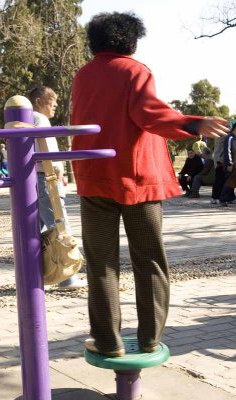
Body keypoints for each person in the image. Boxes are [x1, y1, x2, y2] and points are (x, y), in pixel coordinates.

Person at [70, 12, 228, 357]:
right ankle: (149, 338)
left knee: (101, 263)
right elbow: (148, 114)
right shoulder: (134, 70)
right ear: (130, 40)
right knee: (149, 260)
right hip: (136, 179)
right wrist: (193, 123)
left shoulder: (81, 75)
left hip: (93, 177)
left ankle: (108, 342)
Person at [28, 86, 87, 289]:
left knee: (35, 230)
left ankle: (32, 277)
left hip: (33, 179)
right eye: (51, 101)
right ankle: (67, 277)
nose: (55, 106)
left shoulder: (27, 119)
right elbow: (46, 150)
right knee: (59, 224)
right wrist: (56, 169)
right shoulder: (39, 119)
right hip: (46, 177)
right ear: (38, 101)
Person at [219, 122, 236, 206]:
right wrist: (229, 164)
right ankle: (223, 200)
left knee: (232, 182)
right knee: (229, 182)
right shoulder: (229, 138)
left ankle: (230, 199)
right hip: (231, 165)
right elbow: (227, 151)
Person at [210, 136, 226, 204]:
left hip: (219, 159)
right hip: (220, 160)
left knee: (219, 180)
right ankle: (216, 197)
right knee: (219, 180)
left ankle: (216, 197)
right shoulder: (223, 134)